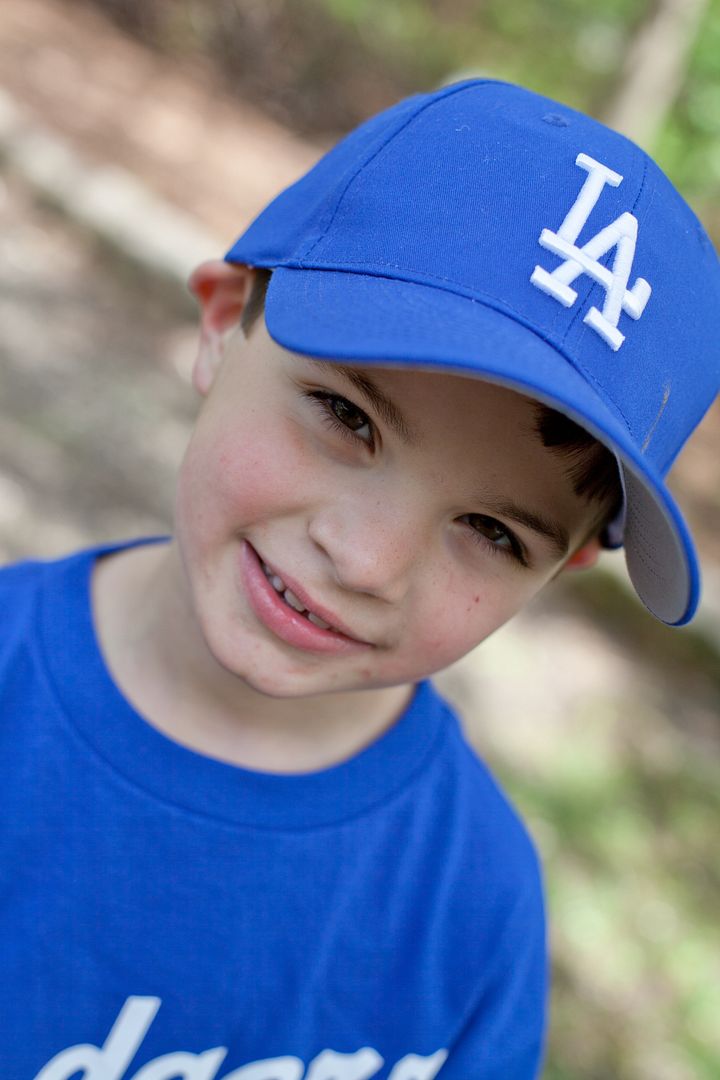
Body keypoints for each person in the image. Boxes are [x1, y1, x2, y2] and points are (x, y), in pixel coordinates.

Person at [2, 79, 718, 1080]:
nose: (366, 560)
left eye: (492, 532)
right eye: (348, 418)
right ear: (222, 322)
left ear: (560, 572)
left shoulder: (472, 907)